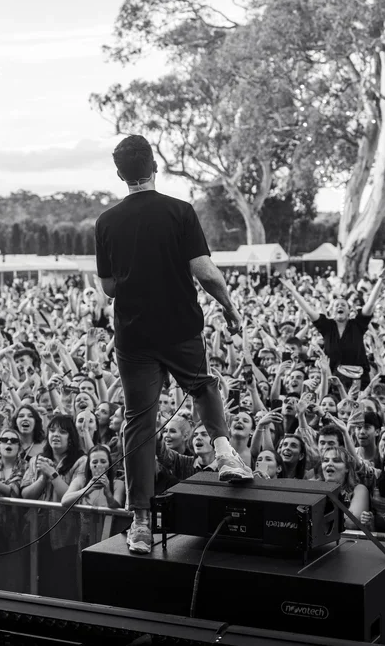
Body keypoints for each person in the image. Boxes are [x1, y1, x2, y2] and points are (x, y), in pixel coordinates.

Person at [94, 134, 251, 554]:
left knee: (139, 424)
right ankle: (225, 455)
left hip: (134, 335)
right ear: (154, 166)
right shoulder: (180, 212)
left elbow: (108, 286)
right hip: (180, 327)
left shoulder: (106, 222)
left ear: (120, 174)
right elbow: (205, 270)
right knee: (202, 385)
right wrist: (230, 307)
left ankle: (141, 522)